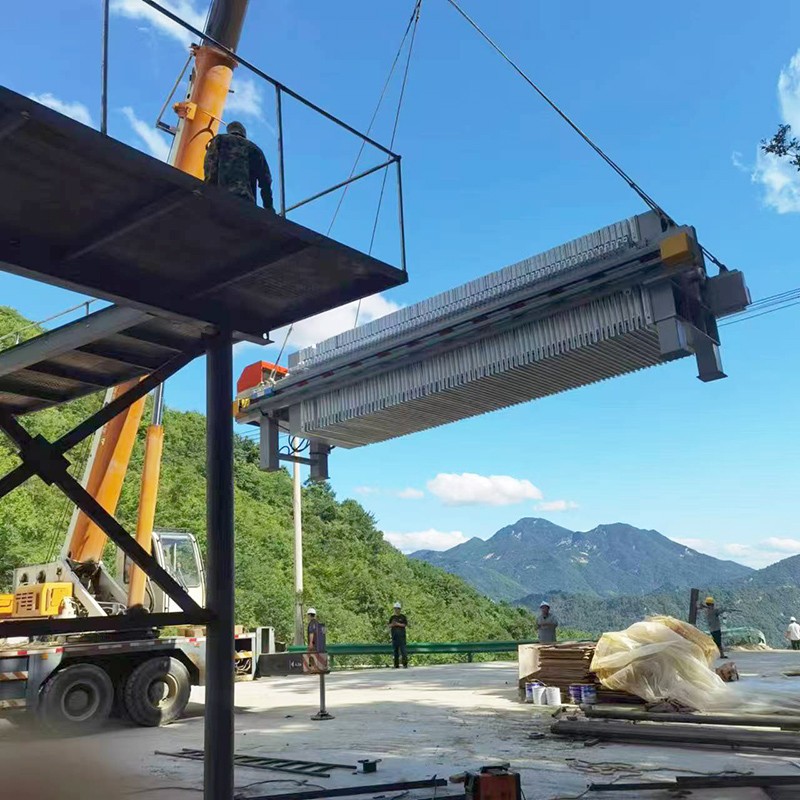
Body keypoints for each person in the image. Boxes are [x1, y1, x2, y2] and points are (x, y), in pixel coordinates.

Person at [203, 121, 274, 211]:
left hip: (221, 197)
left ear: (229, 130)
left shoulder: (219, 140)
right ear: (244, 133)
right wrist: (269, 207)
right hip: (246, 202)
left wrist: (209, 191)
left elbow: (210, 166)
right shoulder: (255, 149)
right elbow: (266, 181)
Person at [388, 602, 408, 669]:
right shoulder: (392, 617)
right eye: (395, 609)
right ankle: (396, 665)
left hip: (402, 637)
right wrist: (393, 624)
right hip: (394, 637)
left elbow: (404, 625)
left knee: (403, 651)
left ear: (400, 609)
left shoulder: (403, 617)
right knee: (395, 651)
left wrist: (397, 624)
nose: (396, 610)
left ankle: (405, 664)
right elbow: (389, 625)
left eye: (398, 608)